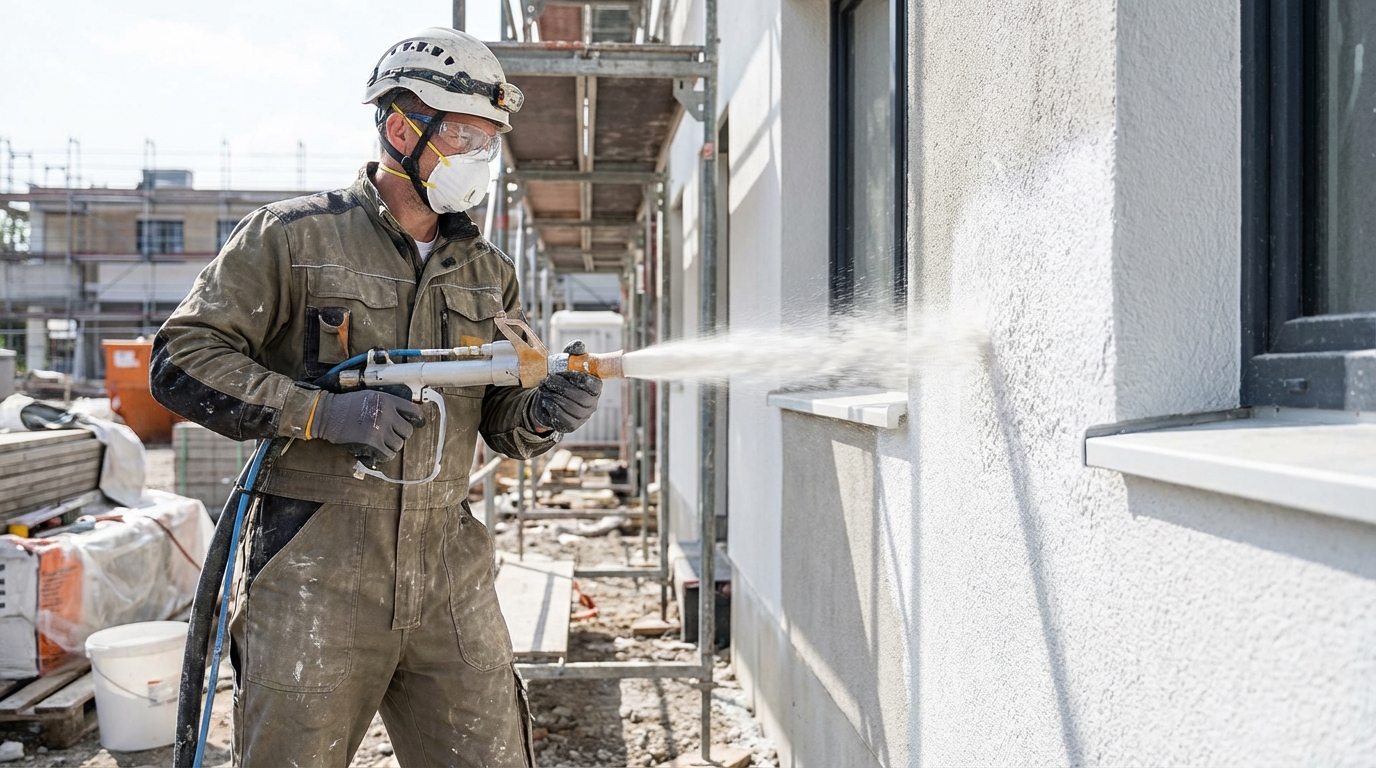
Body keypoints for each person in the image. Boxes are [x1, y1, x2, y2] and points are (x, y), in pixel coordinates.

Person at [150, 27, 602, 767]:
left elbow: (499, 422)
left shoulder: (489, 272)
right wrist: (323, 413)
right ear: (401, 126)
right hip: (313, 570)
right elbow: (181, 360)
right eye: (463, 134)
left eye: (488, 140)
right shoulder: (293, 238)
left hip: (449, 569)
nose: (479, 156)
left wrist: (545, 414)